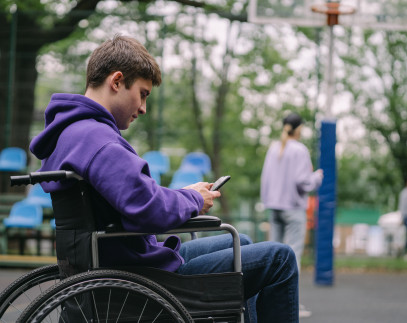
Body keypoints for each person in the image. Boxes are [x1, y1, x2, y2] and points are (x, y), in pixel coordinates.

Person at [29, 35, 299, 322]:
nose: (143, 108)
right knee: (280, 259)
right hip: (141, 279)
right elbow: (146, 208)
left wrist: (183, 194)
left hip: (121, 263)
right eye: (143, 93)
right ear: (117, 81)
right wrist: (194, 199)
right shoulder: (98, 139)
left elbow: (132, 198)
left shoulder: (75, 132)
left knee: (241, 242)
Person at [260, 112, 323, 318]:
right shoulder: (299, 149)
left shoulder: (274, 147)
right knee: (292, 256)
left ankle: (269, 304)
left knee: (272, 258)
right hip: (293, 208)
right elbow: (302, 182)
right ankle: (290, 304)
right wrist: (317, 178)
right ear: (298, 128)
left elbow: (265, 179)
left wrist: (269, 201)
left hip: (274, 207)